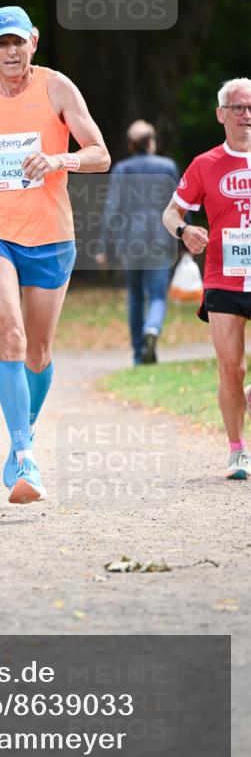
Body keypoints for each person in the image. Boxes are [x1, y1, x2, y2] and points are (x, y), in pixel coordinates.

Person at [0, 6, 110, 505]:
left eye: (20, 42)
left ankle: (26, 427)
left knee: (39, 351)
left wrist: (59, 158)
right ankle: (24, 455)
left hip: (50, 233)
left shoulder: (58, 88)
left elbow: (100, 153)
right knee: (12, 335)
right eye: (3, 44)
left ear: (34, 42)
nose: (13, 52)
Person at [162, 77, 251, 481]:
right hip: (223, 278)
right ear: (221, 114)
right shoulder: (205, 164)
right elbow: (170, 214)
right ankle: (237, 451)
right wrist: (185, 232)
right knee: (231, 369)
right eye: (238, 107)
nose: (246, 115)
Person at [97, 120, 179, 364]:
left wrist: (104, 246)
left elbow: (112, 209)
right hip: (161, 240)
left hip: (130, 241)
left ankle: (138, 352)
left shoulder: (122, 169)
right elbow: (181, 204)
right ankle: (152, 328)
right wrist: (184, 240)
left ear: (131, 145)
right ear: (151, 142)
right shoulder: (167, 167)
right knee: (157, 295)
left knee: (135, 295)